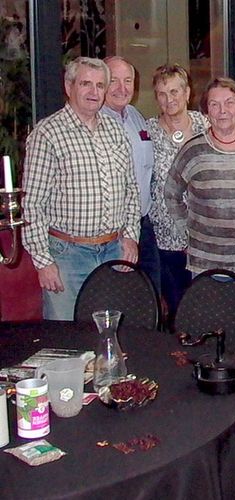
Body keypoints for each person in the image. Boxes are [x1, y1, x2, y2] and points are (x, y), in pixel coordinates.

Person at [164, 77, 235, 426]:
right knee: (209, 340)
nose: (222, 111)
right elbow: (171, 193)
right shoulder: (193, 150)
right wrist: (188, 231)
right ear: (205, 111)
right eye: (214, 104)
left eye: (229, 103)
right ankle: (214, 413)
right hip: (207, 265)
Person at [22, 57, 140, 320]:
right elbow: (32, 205)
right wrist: (44, 262)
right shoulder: (48, 134)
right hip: (67, 257)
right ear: (69, 86)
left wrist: (130, 235)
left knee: (109, 335)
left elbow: (131, 188)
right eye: (86, 84)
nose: (94, 92)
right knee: (67, 341)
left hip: (113, 252)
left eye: (100, 85)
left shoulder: (114, 130)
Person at [146, 64, 209, 324]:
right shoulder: (147, 132)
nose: (169, 99)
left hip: (203, 237)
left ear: (187, 92)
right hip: (164, 238)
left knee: (205, 307)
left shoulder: (206, 125)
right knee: (176, 310)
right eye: (162, 93)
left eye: (174, 91)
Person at [100, 56, 159, 292]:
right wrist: (125, 234)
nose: (122, 88)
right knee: (121, 299)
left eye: (128, 81)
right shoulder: (95, 122)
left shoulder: (135, 116)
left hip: (144, 226)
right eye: (113, 81)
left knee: (150, 298)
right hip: (114, 233)